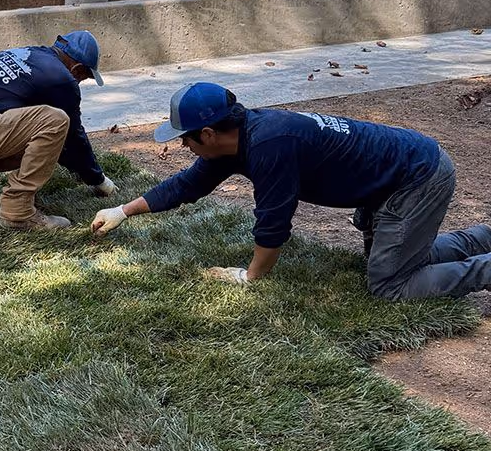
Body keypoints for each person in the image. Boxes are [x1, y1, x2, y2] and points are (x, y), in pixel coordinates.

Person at [90, 81, 491, 300]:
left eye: (184, 139)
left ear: (208, 134)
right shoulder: (239, 136)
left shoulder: (269, 147)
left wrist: (251, 276)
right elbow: (188, 184)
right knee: (386, 261)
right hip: (398, 172)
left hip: (416, 177)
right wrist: (123, 211)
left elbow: (274, 223)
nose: (182, 147)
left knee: (389, 285)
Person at [0, 31, 117, 232]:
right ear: (78, 68)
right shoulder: (61, 78)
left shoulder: (32, 55)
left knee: (39, 131)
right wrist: (98, 179)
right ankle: (17, 212)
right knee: (56, 121)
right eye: (84, 77)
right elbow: (73, 137)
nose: (79, 82)